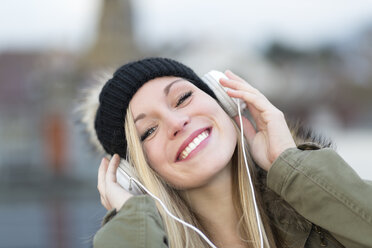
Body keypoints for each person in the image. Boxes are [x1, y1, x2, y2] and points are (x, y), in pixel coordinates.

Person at [80, 57, 372, 248]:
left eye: (182, 98)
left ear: (224, 101)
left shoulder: (323, 210)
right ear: (133, 175)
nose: (176, 122)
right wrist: (133, 222)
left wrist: (290, 165)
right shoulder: (138, 238)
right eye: (148, 131)